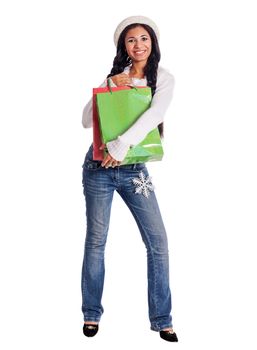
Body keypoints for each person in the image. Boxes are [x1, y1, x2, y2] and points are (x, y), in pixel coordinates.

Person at [81, 16, 178, 342]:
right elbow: (85, 120)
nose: (138, 45)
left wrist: (121, 145)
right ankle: (91, 314)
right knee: (96, 242)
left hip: (134, 168)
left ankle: (162, 319)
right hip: (99, 168)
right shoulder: (117, 77)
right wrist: (108, 86)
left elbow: (156, 113)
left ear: (153, 42)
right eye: (131, 40)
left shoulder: (163, 78)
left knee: (158, 243)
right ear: (124, 46)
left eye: (144, 38)